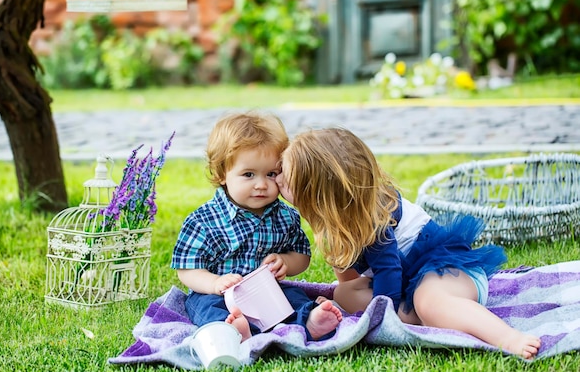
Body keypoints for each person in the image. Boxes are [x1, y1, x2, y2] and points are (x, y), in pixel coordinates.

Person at [275, 127, 541, 359]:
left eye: (285, 179)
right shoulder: (335, 218)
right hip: (408, 284)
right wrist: (349, 296)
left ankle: (506, 336)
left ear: (317, 193)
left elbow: (388, 281)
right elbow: (345, 272)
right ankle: (425, 315)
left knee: (428, 301)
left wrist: (380, 313)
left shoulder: (373, 218)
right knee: (341, 294)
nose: (277, 180)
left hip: (449, 273)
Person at [171, 113, 342, 342]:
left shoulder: (285, 216)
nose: (261, 185)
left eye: (271, 174)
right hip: (219, 294)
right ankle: (232, 331)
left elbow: (301, 254)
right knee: (205, 308)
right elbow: (187, 269)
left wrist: (286, 262)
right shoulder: (204, 220)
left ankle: (310, 322)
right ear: (222, 174)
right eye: (248, 175)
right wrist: (214, 283)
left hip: (267, 292)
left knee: (294, 296)